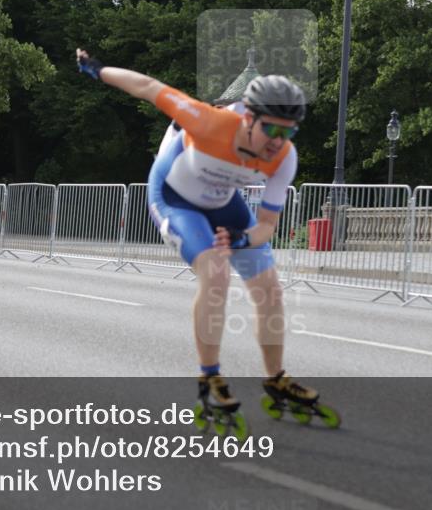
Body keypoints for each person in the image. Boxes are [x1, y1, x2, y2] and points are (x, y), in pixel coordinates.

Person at [76, 48, 324, 424]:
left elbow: (266, 227)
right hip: (174, 198)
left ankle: (275, 378)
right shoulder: (209, 122)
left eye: (288, 132)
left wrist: (242, 240)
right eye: (272, 129)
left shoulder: (284, 157)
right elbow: (148, 87)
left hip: (223, 202)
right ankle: (210, 376)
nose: (278, 141)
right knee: (216, 273)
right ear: (248, 118)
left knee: (270, 288)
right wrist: (97, 69)